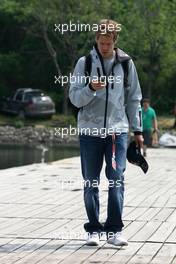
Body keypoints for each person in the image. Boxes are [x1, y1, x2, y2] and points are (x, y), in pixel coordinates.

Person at [69, 19, 143, 247]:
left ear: (115, 41)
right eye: (101, 43)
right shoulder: (85, 62)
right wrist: (90, 88)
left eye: (108, 43)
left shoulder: (126, 63)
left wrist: (138, 130)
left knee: (116, 180)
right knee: (90, 182)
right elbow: (74, 97)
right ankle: (93, 229)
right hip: (89, 132)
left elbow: (134, 99)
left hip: (117, 132)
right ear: (96, 40)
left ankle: (114, 230)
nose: (104, 47)